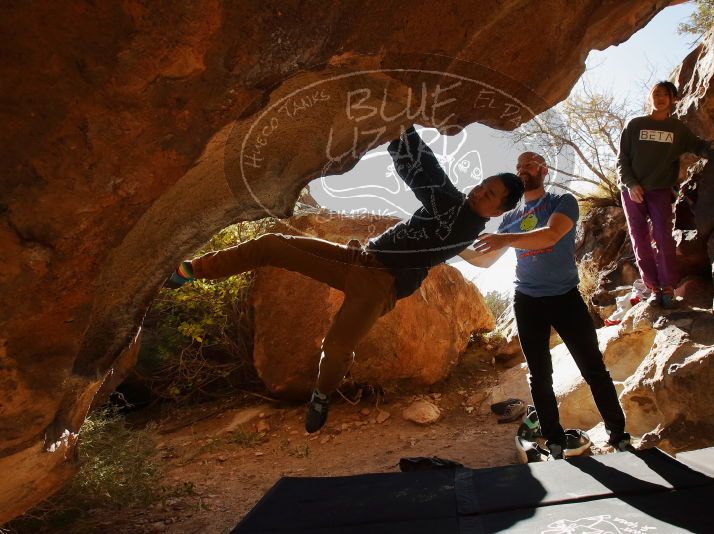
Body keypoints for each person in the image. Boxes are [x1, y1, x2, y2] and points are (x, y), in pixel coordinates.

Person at [166, 126, 524, 433]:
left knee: (336, 347)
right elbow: (425, 170)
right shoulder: (456, 204)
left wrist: (401, 125)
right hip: (359, 258)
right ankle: (190, 270)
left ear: (497, 210)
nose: (479, 191)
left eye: (489, 194)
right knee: (272, 245)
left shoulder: (461, 220)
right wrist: (400, 126)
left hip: (379, 286)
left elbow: (424, 172)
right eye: (482, 184)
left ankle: (321, 395)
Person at [462, 152, 630, 459]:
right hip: (527, 301)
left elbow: (551, 236)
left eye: (529, 164)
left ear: (543, 170)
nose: (522, 169)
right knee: (539, 376)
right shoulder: (510, 219)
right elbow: (484, 260)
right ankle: (554, 442)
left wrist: (505, 239)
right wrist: (445, 246)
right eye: (518, 166)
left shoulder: (561, 202)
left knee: (593, 368)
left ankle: (618, 435)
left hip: (565, 296)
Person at [616, 81, 714, 308]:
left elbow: (698, 146)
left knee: (664, 237)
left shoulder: (677, 129)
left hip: (659, 190)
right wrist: (631, 184)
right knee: (640, 239)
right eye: (656, 93)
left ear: (673, 100)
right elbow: (621, 160)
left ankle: (667, 286)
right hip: (632, 191)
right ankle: (653, 287)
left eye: (665, 95)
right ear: (650, 97)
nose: (660, 98)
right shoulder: (635, 125)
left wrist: (713, 145)